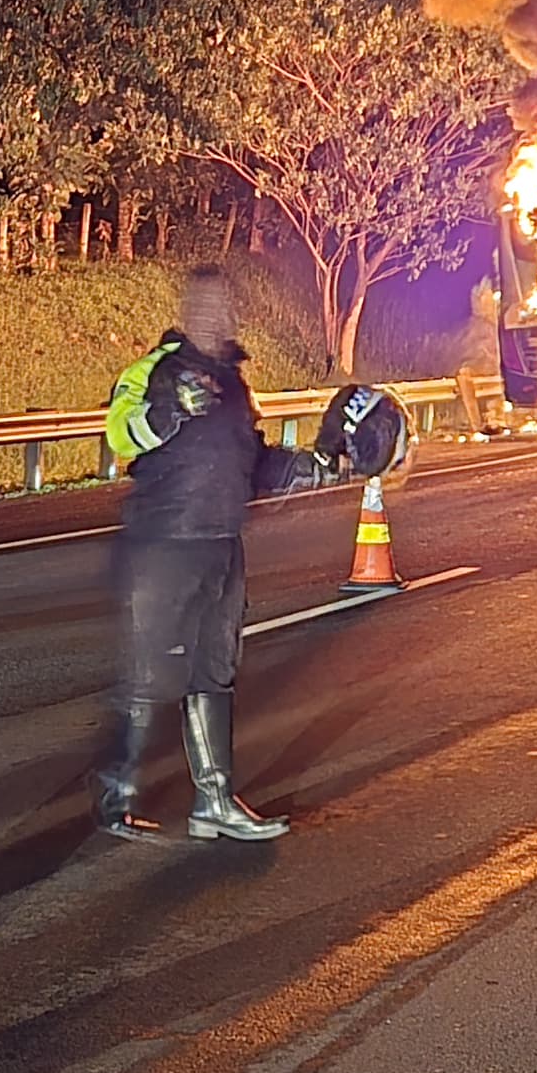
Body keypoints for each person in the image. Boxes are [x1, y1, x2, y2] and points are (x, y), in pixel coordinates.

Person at [93, 268, 334, 843]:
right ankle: (114, 799)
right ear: (185, 311)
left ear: (231, 315)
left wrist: (314, 467)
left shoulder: (235, 385)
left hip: (222, 546)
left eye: (221, 306)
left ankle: (215, 801)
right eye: (200, 306)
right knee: (148, 674)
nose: (211, 316)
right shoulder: (154, 371)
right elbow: (120, 434)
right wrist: (168, 409)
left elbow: (252, 462)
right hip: (162, 547)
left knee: (214, 674)